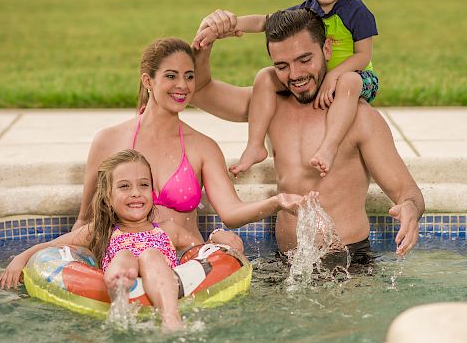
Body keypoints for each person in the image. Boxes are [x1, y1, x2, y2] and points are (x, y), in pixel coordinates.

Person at [192, 9, 425, 264]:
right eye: (282, 66)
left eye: (305, 60)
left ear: (326, 50)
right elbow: (201, 91)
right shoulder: (269, 106)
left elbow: (407, 190)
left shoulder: (358, 117)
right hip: (287, 264)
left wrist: (410, 208)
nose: (295, 75)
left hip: (348, 267)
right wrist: (205, 40)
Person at [72, 37, 307, 253]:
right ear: (148, 81)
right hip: (126, 262)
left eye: (190, 76)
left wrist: (277, 202)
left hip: (186, 264)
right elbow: (86, 219)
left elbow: (231, 212)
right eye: (171, 76)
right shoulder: (109, 141)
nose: (183, 85)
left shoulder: (203, 147)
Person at [193, 0, 379, 178]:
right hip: (323, 79)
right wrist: (228, 25)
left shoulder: (356, 11)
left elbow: (363, 55)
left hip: (355, 78)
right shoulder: (305, 11)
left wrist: (334, 75)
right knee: (265, 76)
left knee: (350, 81)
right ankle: (255, 145)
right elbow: (264, 21)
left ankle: (329, 145)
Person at [0, 149, 196, 330]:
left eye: (144, 185)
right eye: (124, 186)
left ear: (152, 192)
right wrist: (20, 258)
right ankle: (120, 297)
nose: (136, 192)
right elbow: (53, 245)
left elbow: (202, 251)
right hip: (121, 275)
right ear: (108, 198)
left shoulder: (169, 230)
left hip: (161, 278)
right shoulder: (102, 231)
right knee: (124, 255)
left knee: (151, 255)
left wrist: (217, 236)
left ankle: (170, 317)